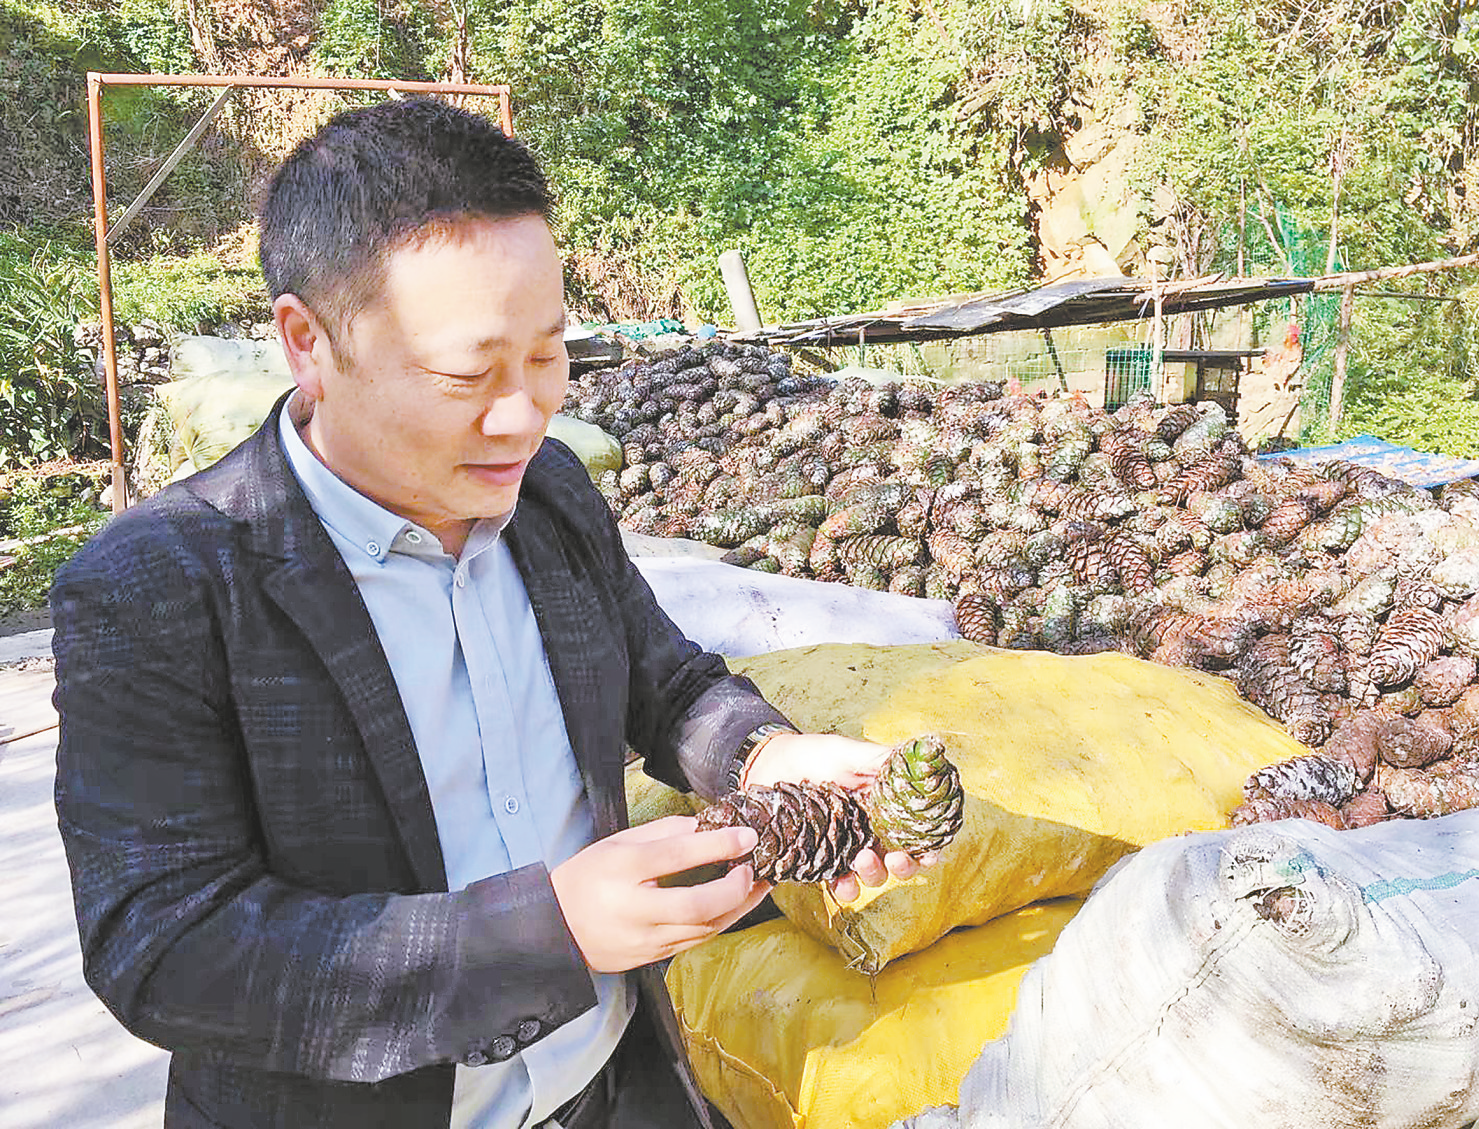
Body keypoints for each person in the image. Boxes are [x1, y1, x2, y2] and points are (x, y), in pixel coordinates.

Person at [51, 98, 925, 1129]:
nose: (522, 416)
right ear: (307, 342)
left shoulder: (548, 495)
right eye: (465, 373)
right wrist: (541, 934)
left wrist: (765, 756)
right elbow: (164, 948)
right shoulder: (161, 586)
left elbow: (664, 680)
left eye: (548, 357)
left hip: (613, 1090)